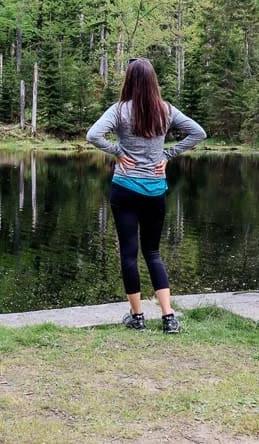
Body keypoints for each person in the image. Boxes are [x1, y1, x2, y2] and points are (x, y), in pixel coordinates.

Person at [86, 58, 206, 333]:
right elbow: (198, 132)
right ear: (153, 81)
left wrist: (118, 152)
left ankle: (137, 317)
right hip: (155, 190)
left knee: (129, 253)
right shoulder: (165, 110)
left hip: (125, 188)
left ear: (129, 80)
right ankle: (168, 317)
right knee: (152, 251)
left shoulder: (119, 111)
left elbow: (93, 135)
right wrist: (168, 154)